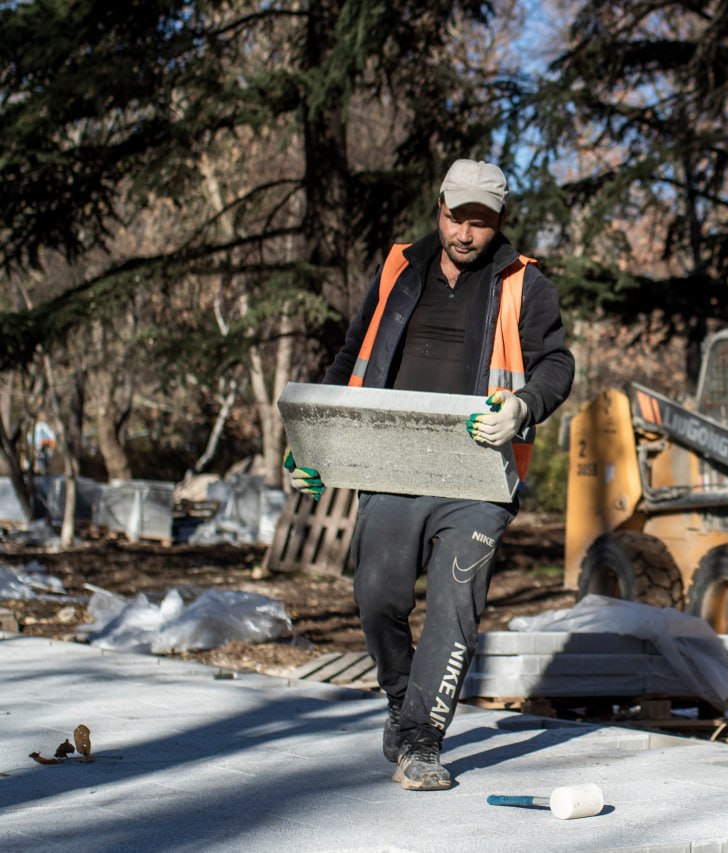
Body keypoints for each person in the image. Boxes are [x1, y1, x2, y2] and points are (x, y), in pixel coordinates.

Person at [284, 158, 574, 791]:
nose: (465, 234)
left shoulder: (526, 286)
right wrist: (316, 443)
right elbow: (352, 355)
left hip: (477, 478)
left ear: (499, 223)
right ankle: (400, 696)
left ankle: (421, 741)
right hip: (392, 465)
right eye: (456, 217)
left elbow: (556, 363)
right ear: (438, 206)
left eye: (480, 223)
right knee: (377, 597)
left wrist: (523, 407)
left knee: (454, 605)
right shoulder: (398, 268)